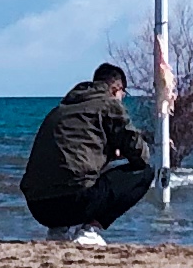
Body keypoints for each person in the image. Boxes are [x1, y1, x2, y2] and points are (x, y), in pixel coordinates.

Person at [23, 62, 156, 243]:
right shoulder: (109, 105)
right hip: (74, 201)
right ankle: (90, 230)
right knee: (144, 173)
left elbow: (76, 153)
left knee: (72, 174)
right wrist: (121, 151)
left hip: (38, 206)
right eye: (123, 94)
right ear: (117, 89)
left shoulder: (62, 109)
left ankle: (60, 231)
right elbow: (141, 155)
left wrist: (108, 153)